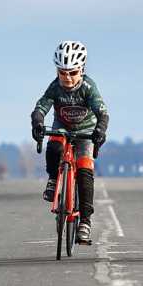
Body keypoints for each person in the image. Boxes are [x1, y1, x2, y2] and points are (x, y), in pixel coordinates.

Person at [30, 40, 109, 245]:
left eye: (72, 72)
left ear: (81, 70)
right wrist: (38, 121)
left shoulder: (89, 87)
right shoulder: (55, 87)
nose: (67, 78)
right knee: (54, 145)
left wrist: (100, 130)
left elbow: (103, 113)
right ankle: (53, 179)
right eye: (62, 72)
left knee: (84, 170)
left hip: (86, 131)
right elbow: (41, 106)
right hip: (62, 127)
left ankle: (85, 221)